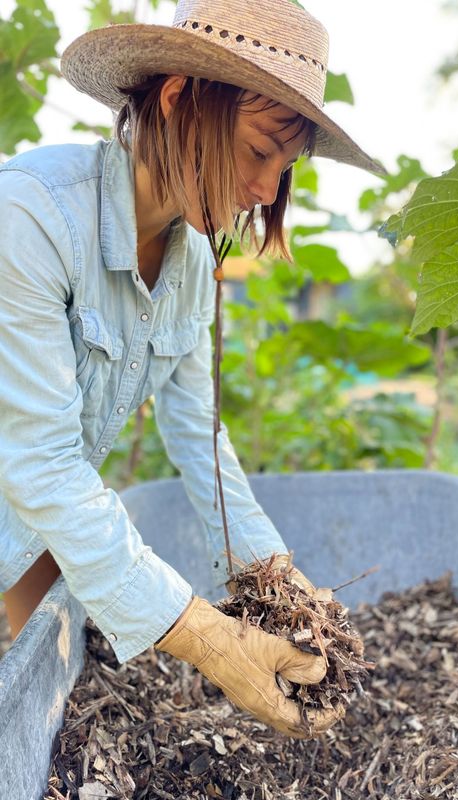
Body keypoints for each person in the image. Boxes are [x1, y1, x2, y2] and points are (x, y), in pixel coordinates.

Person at [0, 0, 384, 738]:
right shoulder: (32, 214)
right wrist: (210, 640)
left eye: (285, 166)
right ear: (177, 100)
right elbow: (44, 465)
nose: (269, 191)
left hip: (28, 524)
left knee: (47, 707)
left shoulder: (193, 264)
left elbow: (201, 441)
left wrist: (280, 582)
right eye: (258, 150)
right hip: (32, 494)